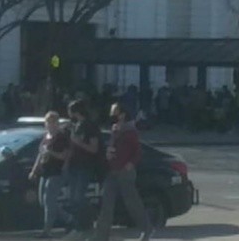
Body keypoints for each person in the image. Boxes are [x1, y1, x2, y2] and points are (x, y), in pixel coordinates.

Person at [92, 103, 153, 241]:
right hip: (112, 170)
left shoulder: (130, 131)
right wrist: (108, 153)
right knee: (106, 203)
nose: (111, 115)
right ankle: (101, 236)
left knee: (132, 203)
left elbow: (137, 152)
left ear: (122, 114)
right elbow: (113, 146)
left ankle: (146, 228)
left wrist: (130, 164)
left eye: (114, 112)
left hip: (125, 172)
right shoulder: (115, 129)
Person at [29, 111, 74, 239]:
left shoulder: (61, 137)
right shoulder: (45, 137)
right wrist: (34, 170)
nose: (50, 125)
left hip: (57, 172)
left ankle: (47, 231)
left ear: (57, 123)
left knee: (49, 200)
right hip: (45, 172)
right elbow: (40, 154)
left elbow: (64, 155)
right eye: (48, 122)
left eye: (53, 122)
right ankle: (69, 219)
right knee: (44, 201)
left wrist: (51, 152)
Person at [66, 100, 101, 235]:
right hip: (74, 166)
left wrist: (78, 142)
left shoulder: (89, 126)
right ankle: (77, 226)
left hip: (85, 166)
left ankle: (85, 226)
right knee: (73, 198)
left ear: (75, 111)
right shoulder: (77, 125)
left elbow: (94, 148)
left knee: (79, 197)